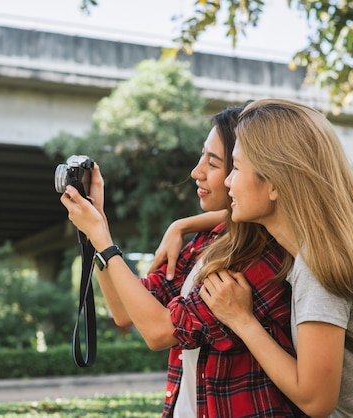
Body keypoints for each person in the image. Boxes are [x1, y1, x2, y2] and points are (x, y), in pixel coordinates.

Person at [196, 98, 353, 417]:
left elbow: (315, 400)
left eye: (238, 167)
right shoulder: (336, 246)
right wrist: (183, 226)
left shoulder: (318, 269)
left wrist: (242, 321)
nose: (228, 180)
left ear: (274, 183)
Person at [60, 106, 305, 417]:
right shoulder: (213, 238)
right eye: (202, 157)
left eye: (213, 163)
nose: (196, 171)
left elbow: (159, 332)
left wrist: (103, 240)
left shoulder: (265, 258)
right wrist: (99, 226)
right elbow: (125, 312)